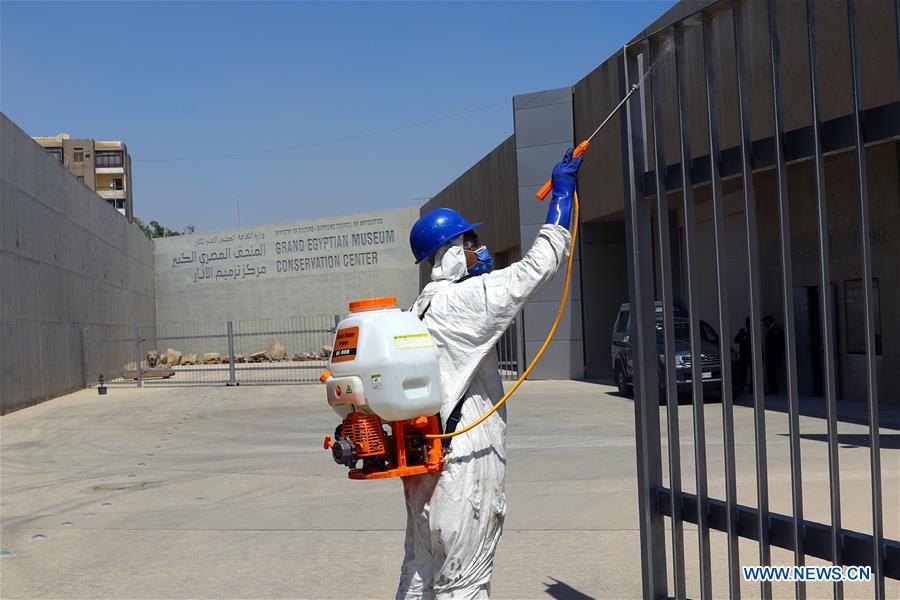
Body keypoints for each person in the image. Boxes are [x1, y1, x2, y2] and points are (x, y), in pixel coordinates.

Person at [398, 148, 583, 599]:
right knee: (465, 582)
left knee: (420, 574)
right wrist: (560, 199)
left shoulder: (418, 308)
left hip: (426, 464)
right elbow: (535, 268)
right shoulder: (461, 302)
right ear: (449, 253)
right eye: (470, 240)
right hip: (464, 464)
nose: (479, 248)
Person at [762, 315, 784, 394]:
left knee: (773, 373)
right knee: (770, 373)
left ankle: (774, 389)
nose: (764, 324)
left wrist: (777, 354)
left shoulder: (775, 330)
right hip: (769, 356)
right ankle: (772, 388)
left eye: (765, 322)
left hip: (773, 356)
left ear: (769, 321)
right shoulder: (769, 330)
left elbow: (779, 343)